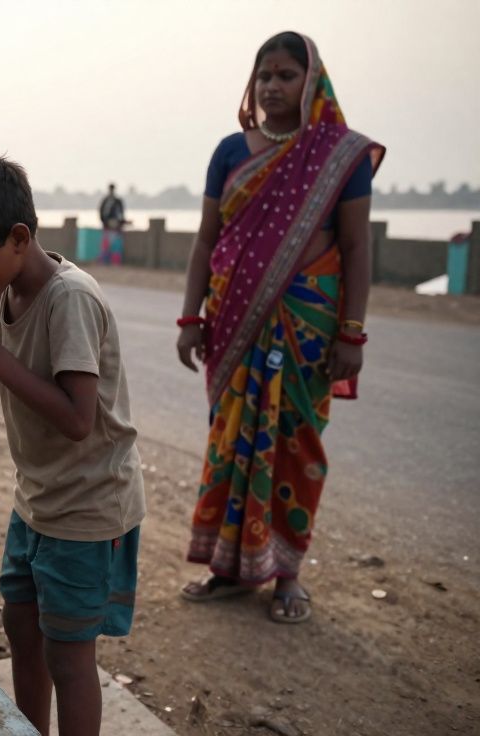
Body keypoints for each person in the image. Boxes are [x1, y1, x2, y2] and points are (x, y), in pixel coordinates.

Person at [0, 153, 145, 736]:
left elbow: (76, 419)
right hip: (37, 498)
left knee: (70, 655)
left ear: (18, 238)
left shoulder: (70, 299)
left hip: (89, 504)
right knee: (22, 630)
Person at [176, 32, 383, 624]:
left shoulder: (341, 157)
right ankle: (226, 567)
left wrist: (352, 332)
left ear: (311, 82)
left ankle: (286, 574)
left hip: (308, 323)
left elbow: (354, 248)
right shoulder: (229, 151)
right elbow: (206, 240)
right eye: (263, 74)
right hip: (232, 320)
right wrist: (191, 319)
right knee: (230, 439)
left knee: (296, 445)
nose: (271, 85)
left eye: (286, 74)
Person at [98, 184, 126, 265]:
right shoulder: (105, 201)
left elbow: (121, 213)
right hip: (107, 226)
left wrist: (119, 223)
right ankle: (105, 261)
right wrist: (105, 223)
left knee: (116, 245)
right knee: (105, 245)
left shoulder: (118, 201)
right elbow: (101, 213)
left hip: (116, 227)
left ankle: (115, 262)